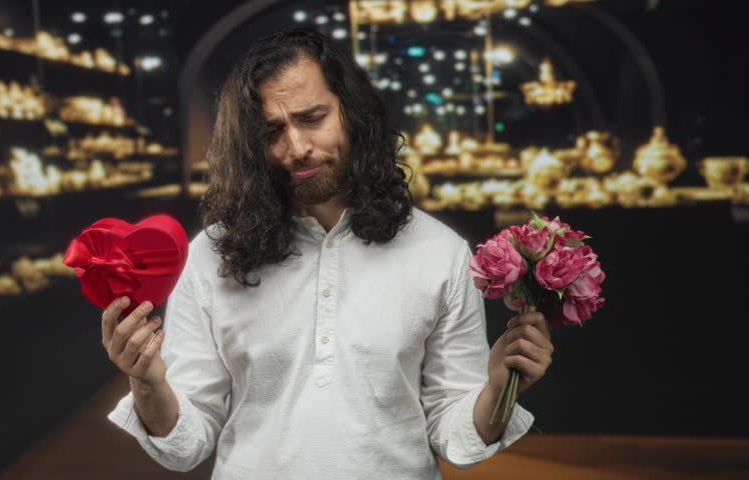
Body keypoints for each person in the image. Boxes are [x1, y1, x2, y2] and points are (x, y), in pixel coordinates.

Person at [102, 27, 553, 479]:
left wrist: (498, 389)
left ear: (352, 112)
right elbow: (186, 443)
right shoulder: (211, 256)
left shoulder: (440, 252)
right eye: (272, 130)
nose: (297, 147)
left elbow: (456, 438)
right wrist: (147, 381)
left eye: (313, 117)